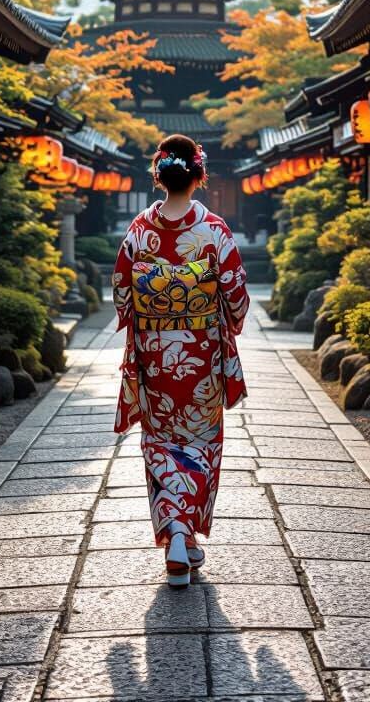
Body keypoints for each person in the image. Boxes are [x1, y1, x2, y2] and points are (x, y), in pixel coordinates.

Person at [112, 134, 250, 589]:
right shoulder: (213, 230)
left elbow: (121, 291)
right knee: (202, 442)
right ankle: (185, 534)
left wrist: (153, 312)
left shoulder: (138, 230)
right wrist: (213, 317)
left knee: (159, 440)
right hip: (200, 355)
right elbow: (236, 297)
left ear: (159, 176)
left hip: (154, 355)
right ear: (198, 175)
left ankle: (175, 534)